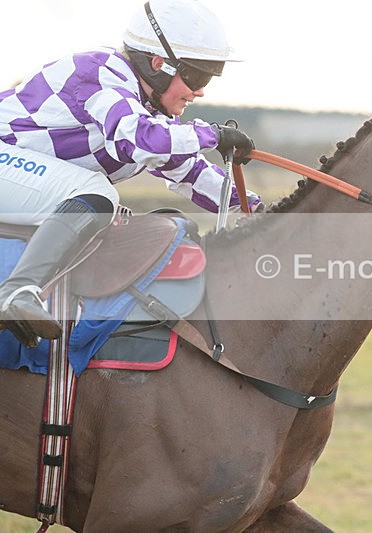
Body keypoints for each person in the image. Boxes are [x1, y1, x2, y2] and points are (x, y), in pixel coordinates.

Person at [0, 0, 259, 349]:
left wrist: (261, 212)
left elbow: (191, 173)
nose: (200, 91)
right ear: (158, 64)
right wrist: (212, 134)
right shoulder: (102, 70)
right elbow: (142, 141)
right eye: (197, 76)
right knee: (98, 193)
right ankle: (16, 293)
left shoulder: (146, 106)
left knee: (94, 194)